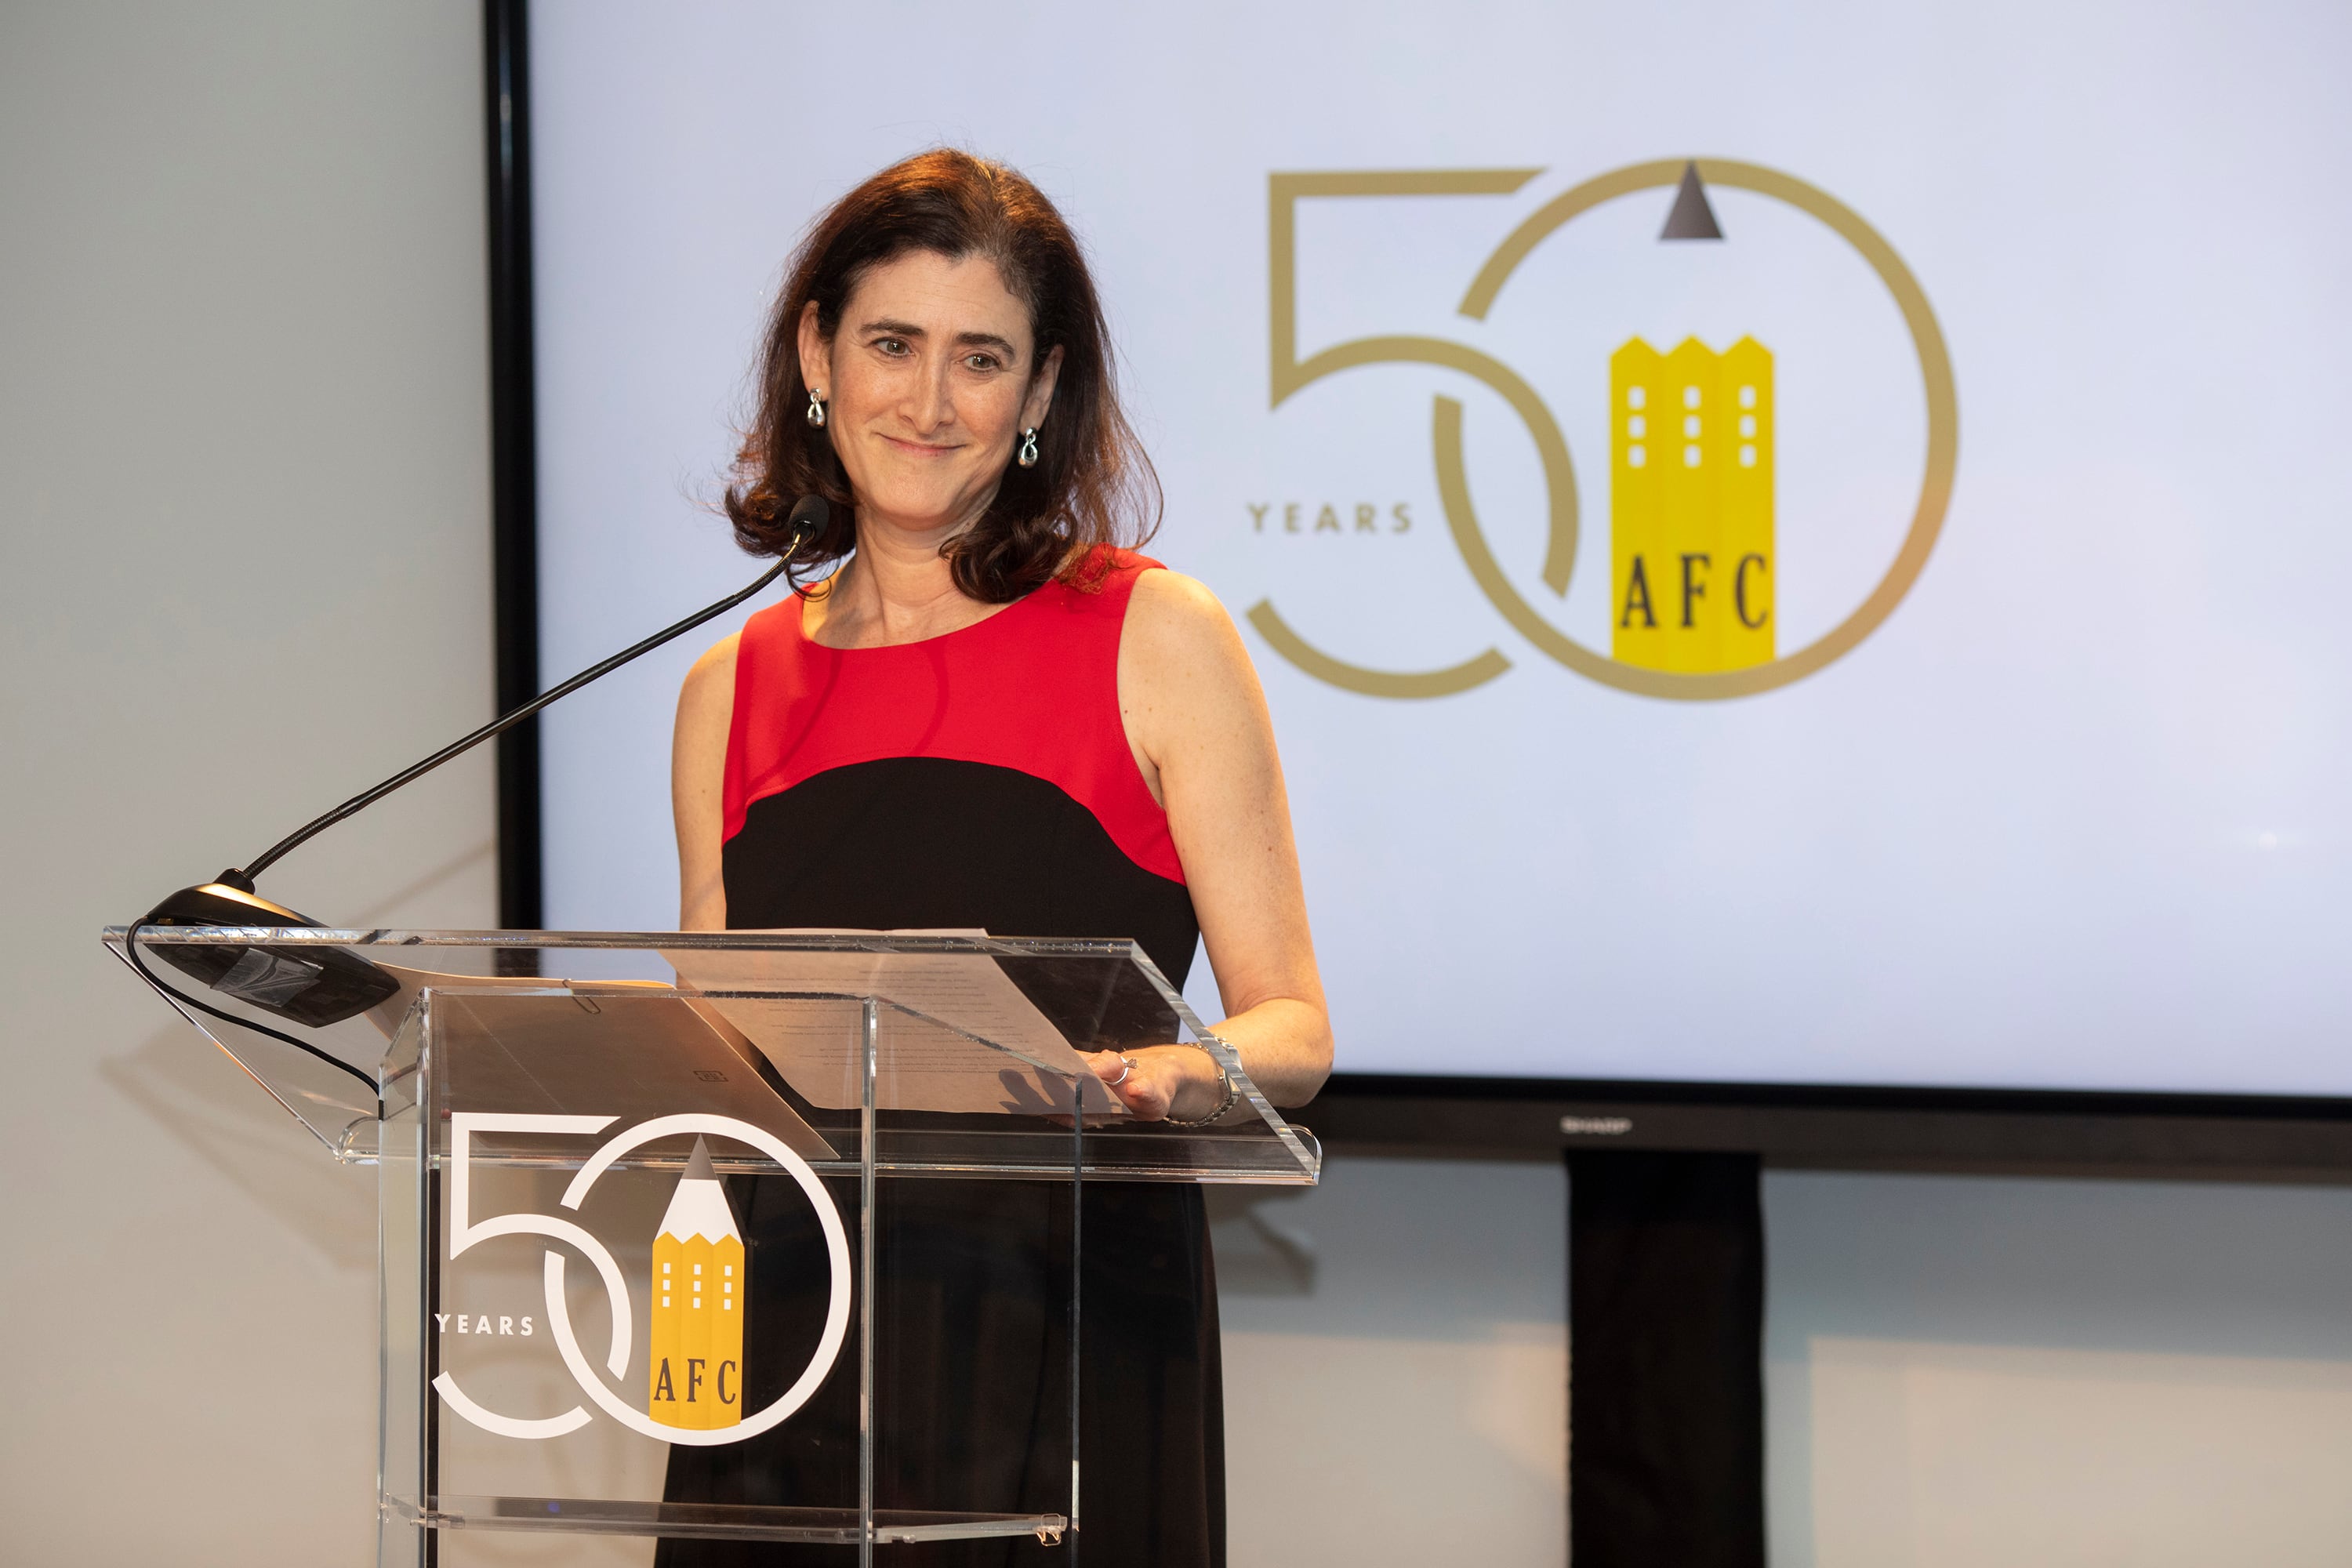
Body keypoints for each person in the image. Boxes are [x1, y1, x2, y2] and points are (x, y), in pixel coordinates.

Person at [662, 150, 1332, 1566]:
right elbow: (728, 1059)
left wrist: (1170, 1074)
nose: (927, 402)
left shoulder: (1154, 634)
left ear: (1038, 395)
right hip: (790, 1328)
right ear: (817, 357)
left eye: (981, 359)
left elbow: (1295, 1027)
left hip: (1066, 1318)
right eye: (891, 344)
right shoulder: (730, 686)